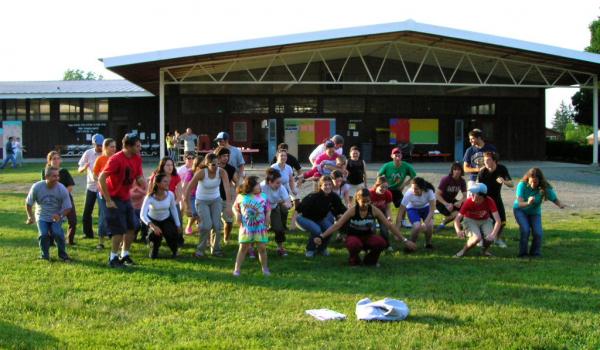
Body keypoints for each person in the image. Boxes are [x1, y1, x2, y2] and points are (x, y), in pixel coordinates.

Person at [314, 189, 416, 266]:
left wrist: (405, 240)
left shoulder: (374, 210)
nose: (366, 204)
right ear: (357, 200)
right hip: (353, 236)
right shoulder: (353, 210)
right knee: (354, 244)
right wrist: (322, 236)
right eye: (363, 201)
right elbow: (337, 225)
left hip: (368, 236)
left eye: (368, 201)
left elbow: (388, 225)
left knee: (381, 243)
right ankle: (354, 260)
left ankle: (370, 261)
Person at [98, 133, 146, 268]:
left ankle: (124, 254)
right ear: (128, 146)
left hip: (125, 197)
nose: (140, 148)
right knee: (118, 229)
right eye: (137, 146)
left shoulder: (137, 158)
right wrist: (107, 200)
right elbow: (102, 178)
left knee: (133, 226)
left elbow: (138, 176)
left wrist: (144, 184)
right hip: (112, 197)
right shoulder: (116, 159)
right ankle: (113, 257)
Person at [183, 153, 231, 257]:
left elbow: (227, 189)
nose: (216, 167)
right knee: (206, 225)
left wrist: (228, 206)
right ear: (207, 164)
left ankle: (216, 250)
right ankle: (200, 251)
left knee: (217, 225)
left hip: (216, 200)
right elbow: (188, 189)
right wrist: (187, 206)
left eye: (217, 164)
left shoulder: (222, 172)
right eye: (213, 165)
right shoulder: (201, 173)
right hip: (201, 201)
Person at [513, 168, 565, 258]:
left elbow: (554, 199)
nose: (533, 184)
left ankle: (535, 253)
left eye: (536, 182)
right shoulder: (522, 185)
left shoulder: (544, 188)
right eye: (531, 182)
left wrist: (560, 205)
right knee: (525, 230)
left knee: (538, 233)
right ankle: (523, 253)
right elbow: (520, 204)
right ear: (528, 179)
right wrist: (528, 203)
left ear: (540, 181)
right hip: (520, 210)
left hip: (534, 212)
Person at [25, 167, 72, 262]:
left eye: (58, 176)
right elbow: (28, 203)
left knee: (57, 233)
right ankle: (45, 256)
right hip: (41, 215)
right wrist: (30, 216)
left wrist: (60, 216)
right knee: (43, 234)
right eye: (54, 176)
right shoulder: (37, 187)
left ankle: (63, 255)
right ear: (46, 176)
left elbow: (68, 207)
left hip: (57, 216)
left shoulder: (62, 188)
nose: (57, 178)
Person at [296, 176, 347, 257]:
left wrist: (340, 215)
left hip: (319, 219)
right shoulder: (313, 196)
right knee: (317, 230)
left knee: (329, 229)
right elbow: (299, 209)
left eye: (330, 184)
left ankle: (322, 249)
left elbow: (341, 208)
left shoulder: (333, 196)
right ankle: (310, 250)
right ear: (320, 186)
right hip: (303, 218)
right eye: (325, 185)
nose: (328, 187)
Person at [233, 176, 271, 276]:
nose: (260, 185)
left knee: (262, 248)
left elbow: (268, 208)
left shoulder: (263, 196)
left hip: (260, 227)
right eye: (257, 184)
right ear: (250, 186)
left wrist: (268, 216)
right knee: (243, 248)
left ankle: (265, 268)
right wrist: (237, 214)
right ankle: (237, 269)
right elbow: (235, 207)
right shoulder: (241, 197)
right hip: (246, 228)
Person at [453, 183, 502, 257]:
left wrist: (493, 234)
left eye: (474, 193)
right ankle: (463, 251)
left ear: (482, 196)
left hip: (485, 220)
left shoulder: (489, 201)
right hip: (470, 220)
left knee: (490, 238)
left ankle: (484, 251)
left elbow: (498, 221)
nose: (471, 195)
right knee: (477, 238)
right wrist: (458, 231)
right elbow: (457, 219)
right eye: (472, 193)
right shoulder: (468, 202)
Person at [141, 173, 182, 259]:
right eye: (165, 181)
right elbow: (142, 215)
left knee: (170, 233)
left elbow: (173, 209)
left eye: (168, 181)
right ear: (158, 183)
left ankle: (175, 250)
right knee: (154, 237)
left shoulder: (170, 194)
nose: (168, 183)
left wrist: (178, 225)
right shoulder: (149, 197)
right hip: (153, 221)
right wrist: (153, 226)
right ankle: (153, 247)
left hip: (166, 219)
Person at [477, 152, 513, 248]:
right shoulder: (482, 172)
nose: (485, 162)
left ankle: (497, 239)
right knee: (482, 219)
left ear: (494, 160)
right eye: (484, 160)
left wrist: (504, 181)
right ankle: (480, 239)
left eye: (488, 160)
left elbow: (511, 184)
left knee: (502, 221)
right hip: (484, 198)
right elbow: (478, 187)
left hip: (496, 198)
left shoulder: (502, 169)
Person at [41, 151, 77, 245]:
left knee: (73, 221)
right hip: (52, 200)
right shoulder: (45, 172)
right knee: (52, 220)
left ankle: (70, 240)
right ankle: (51, 241)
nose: (56, 160)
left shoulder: (64, 171)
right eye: (54, 159)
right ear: (49, 161)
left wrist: (62, 195)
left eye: (58, 158)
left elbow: (70, 187)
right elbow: (44, 186)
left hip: (66, 199)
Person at [377, 147, 416, 227]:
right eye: (395, 154)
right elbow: (379, 175)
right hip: (387, 189)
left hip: (397, 190)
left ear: (401, 156)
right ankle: (381, 221)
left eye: (399, 154)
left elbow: (413, 176)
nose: (397, 155)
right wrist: (382, 185)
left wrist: (403, 185)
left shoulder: (406, 166)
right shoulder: (387, 165)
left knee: (403, 203)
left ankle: (403, 221)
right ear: (392, 156)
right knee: (381, 205)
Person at [395, 177, 436, 250]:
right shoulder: (408, 193)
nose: (413, 191)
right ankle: (411, 244)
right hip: (412, 209)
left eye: (416, 189)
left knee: (430, 225)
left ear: (422, 189)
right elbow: (400, 212)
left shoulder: (429, 191)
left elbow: (432, 210)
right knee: (416, 226)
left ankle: (428, 244)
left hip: (426, 208)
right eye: (412, 188)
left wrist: (425, 223)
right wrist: (397, 230)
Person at [261, 168, 292, 257]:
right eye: (277, 183)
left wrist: (287, 204)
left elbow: (287, 200)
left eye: (280, 182)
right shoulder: (262, 187)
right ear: (269, 182)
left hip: (273, 208)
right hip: (260, 210)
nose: (279, 185)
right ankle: (251, 248)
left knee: (279, 228)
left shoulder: (281, 187)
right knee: (259, 229)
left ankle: (280, 248)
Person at [78, 133, 104, 239]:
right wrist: (84, 167)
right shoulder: (88, 153)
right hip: (91, 187)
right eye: (98, 145)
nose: (100, 147)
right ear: (93, 144)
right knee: (87, 211)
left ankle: (103, 232)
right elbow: (79, 169)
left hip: (103, 187)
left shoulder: (106, 154)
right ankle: (88, 234)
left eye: (101, 145)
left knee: (102, 212)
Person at [92, 138, 117, 249]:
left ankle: (116, 238)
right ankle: (101, 242)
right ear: (105, 147)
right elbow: (95, 175)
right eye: (112, 146)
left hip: (116, 191)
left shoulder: (117, 158)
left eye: (115, 146)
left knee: (116, 215)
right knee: (103, 215)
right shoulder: (100, 159)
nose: (114, 149)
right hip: (103, 191)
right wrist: (101, 181)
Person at [215, 146, 238, 244]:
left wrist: (237, 192)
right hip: (214, 198)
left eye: (227, 156)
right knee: (214, 222)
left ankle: (226, 239)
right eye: (223, 156)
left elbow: (236, 182)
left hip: (226, 198)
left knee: (229, 221)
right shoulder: (213, 167)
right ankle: (212, 241)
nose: (226, 158)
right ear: (218, 157)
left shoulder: (231, 169)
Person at [435, 162, 467, 230]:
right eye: (455, 169)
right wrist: (446, 204)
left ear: (461, 171)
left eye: (459, 170)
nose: (457, 171)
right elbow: (437, 195)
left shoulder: (462, 181)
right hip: (441, 202)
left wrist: (460, 202)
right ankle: (443, 223)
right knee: (458, 213)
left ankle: (456, 222)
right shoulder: (446, 179)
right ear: (452, 171)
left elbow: (465, 196)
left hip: (452, 201)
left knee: (465, 210)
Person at [369, 176, 393, 246]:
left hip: (382, 212)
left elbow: (388, 208)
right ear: (377, 185)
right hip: (371, 213)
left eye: (386, 187)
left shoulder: (388, 194)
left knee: (384, 229)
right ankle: (371, 244)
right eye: (382, 187)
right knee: (372, 229)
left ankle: (386, 245)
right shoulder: (370, 193)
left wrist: (389, 217)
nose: (384, 189)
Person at [182, 155, 203, 235]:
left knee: (200, 214)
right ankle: (189, 226)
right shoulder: (190, 172)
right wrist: (184, 198)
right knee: (195, 213)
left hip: (201, 196)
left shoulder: (205, 172)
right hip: (192, 196)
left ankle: (202, 230)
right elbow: (185, 185)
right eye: (201, 164)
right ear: (197, 164)